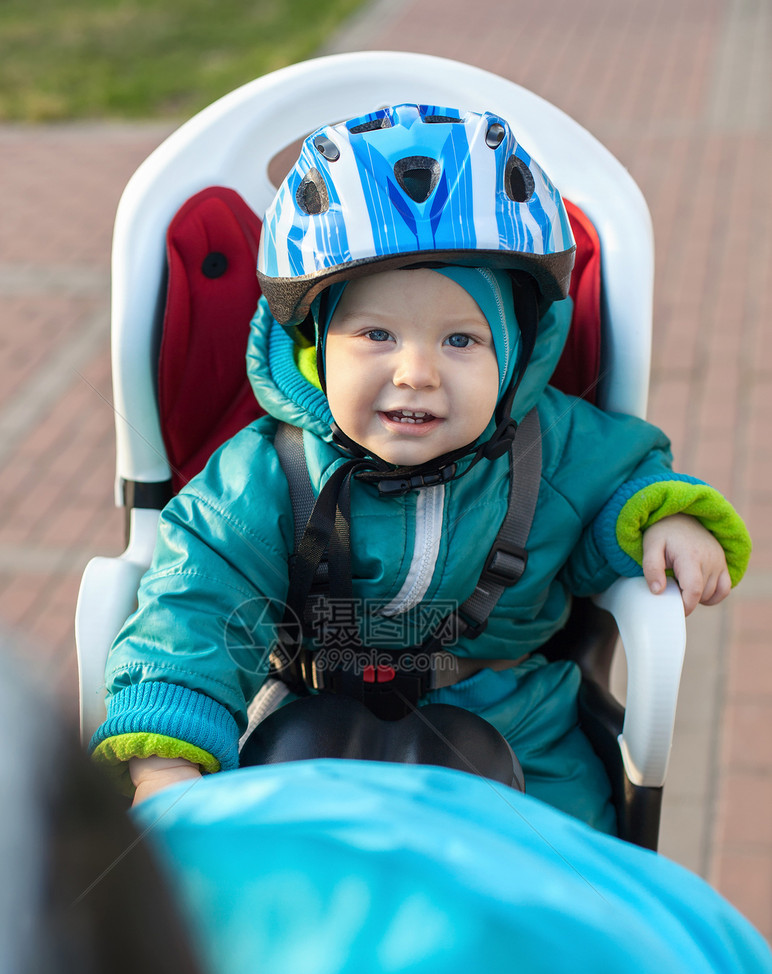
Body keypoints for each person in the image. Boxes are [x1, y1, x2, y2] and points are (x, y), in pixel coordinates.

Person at [90, 103, 750, 831]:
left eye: (462, 341)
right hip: (303, 714)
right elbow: (195, 608)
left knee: (570, 877)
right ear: (314, 344)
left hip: (519, 721)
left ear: (515, 352)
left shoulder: (550, 445)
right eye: (376, 333)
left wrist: (666, 516)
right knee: (246, 885)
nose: (416, 372)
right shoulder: (267, 475)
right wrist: (168, 764)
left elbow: (622, 481)